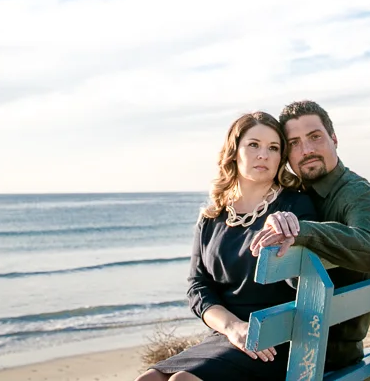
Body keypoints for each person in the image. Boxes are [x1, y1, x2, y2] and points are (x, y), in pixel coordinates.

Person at [136, 111, 317, 381]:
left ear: (281, 158)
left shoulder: (294, 208)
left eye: (273, 148)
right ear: (234, 152)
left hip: (276, 341)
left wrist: (293, 233)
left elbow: (303, 280)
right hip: (227, 335)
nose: (263, 155)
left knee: (182, 380)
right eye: (253, 145)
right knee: (148, 379)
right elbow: (197, 287)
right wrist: (233, 327)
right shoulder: (211, 218)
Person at [250, 100, 370, 372]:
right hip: (290, 338)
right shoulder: (293, 197)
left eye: (315, 137)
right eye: (294, 143)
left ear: (334, 139)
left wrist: (301, 231)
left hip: (320, 349)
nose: (307, 150)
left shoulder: (359, 194)